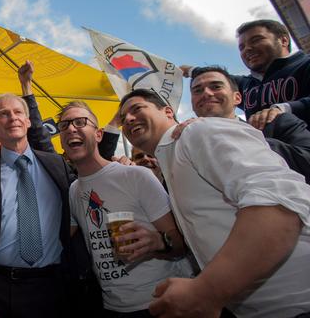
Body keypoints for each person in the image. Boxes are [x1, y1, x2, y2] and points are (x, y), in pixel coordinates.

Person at [118, 88, 310, 317]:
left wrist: (206, 290)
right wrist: (160, 241)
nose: (128, 119)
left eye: (137, 109)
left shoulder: (196, 132)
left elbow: (280, 206)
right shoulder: (168, 165)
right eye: (123, 118)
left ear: (168, 112)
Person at [59, 101, 188, 317]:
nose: (72, 128)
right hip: (112, 306)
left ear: (99, 134)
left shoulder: (136, 176)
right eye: (64, 125)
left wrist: (157, 241)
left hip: (159, 301)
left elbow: (181, 242)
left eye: (81, 122)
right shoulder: (74, 190)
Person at [0, 93, 73, 318]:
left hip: (57, 288)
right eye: (4, 114)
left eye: (18, 112)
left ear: (29, 121)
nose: (13, 118)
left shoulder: (57, 164)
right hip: (0, 291)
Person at [188, 65, 310, 182]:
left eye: (216, 87)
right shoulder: (186, 143)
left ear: (237, 98)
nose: (206, 93)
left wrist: (239, 140)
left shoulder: (278, 123)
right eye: (198, 90)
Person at [182, 19, 310, 128]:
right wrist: (187, 70)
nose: (247, 49)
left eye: (256, 40)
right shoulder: (246, 85)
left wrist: (283, 109)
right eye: (241, 47)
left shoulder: (305, 65)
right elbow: (215, 78)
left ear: (283, 40)